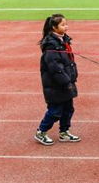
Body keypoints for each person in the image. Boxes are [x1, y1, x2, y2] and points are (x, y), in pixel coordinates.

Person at [35, 14, 80, 145]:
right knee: (55, 111)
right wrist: (66, 82)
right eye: (63, 25)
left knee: (68, 109)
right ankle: (41, 132)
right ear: (54, 27)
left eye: (66, 24)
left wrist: (72, 77)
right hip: (56, 85)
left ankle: (64, 132)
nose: (66, 27)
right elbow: (55, 68)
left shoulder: (64, 41)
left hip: (66, 82)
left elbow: (68, 63)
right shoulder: (51, 45)